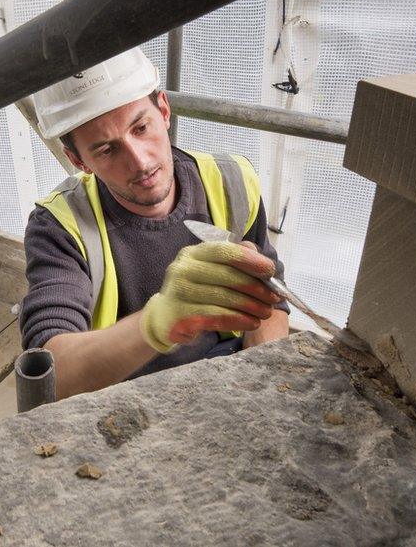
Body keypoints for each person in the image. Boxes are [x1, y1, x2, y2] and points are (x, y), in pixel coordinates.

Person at [19, 48, 290, 399]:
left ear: (163, 109)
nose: (140, 161)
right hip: (116, 396)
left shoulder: (232, 181)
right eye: (106, 150)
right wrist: (158, 322)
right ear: (77, 160)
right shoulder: (58, 227)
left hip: (226, 374)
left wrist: (257, 384)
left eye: (141, 127)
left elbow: (271, 299)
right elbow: (53, 374)